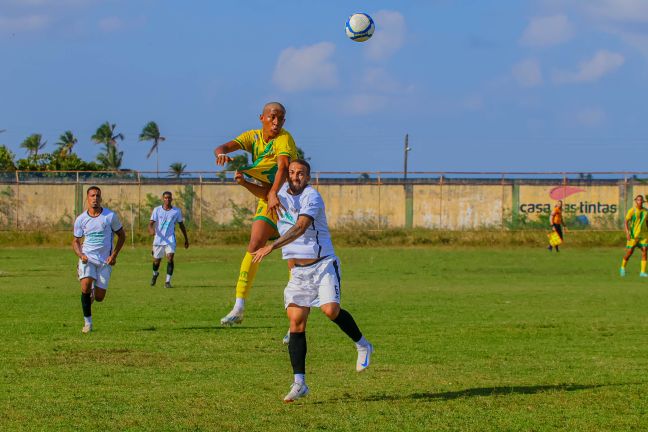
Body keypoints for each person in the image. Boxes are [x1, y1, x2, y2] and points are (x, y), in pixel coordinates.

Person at [251, 159, 374, 403]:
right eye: (292, 172)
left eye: (301, 174)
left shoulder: (312, 197)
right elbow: (263, 192)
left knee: (330, 310)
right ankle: (300, 383)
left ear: (308, 178)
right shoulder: (280, 193)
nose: (296, 176)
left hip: (323, 264)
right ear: (287, 175)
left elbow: (300, 227)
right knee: (296, 323)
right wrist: (243, 180)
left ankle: (363, 344)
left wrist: (271, 246)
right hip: (298, 272)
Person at [214, 102, 298, 325]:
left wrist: (273, 193)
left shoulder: (284, 139)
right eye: (272, 117)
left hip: (288, 199)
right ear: (262, 117)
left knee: (292, 257)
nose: (276, 122)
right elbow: (223, 146)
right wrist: (221, 153)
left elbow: (282, 167)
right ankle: (238, 306)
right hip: (269, 197)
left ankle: (295, 319)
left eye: (281, 118)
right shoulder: (253, 137)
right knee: (254, 245)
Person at [72, 186, 126, 334]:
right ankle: (88, 324)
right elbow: (76, 241)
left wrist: (114, 255)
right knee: (85, 287)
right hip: (87, 258)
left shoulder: (110, 216)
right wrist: (81, 255)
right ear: (87, 199)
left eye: (97, 196)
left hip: (105, 261)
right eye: (92, 196)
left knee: (100, 297)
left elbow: (122, 236)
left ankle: (94, 292)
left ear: (101, 198)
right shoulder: (81, 219)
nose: (95, 198)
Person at [148, 191, 189, 288]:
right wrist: (151, 230)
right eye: (165, 198)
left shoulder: (176, 211)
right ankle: (155, 274)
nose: (167, 199)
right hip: (158, 239)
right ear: (163, 199)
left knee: (170, 257)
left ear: (171, 199)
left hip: (170, 239)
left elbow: (181, 225)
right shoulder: (157, 210)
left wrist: (186, 239)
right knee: (156, 261)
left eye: (169, 198)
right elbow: (150, 223)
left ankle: (167, 282)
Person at [620, 194, 648, 277]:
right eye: (638, 200)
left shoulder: (646, 211)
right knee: (629, 252)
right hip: (633, 235)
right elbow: (626, 222)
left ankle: (642, 272)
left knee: (644, 251)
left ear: (642, 201)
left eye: (641, 200)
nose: (639, 201)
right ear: (636, 201)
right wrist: (627, 233)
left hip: (643, 235)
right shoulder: (632, 211)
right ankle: (622, 268)